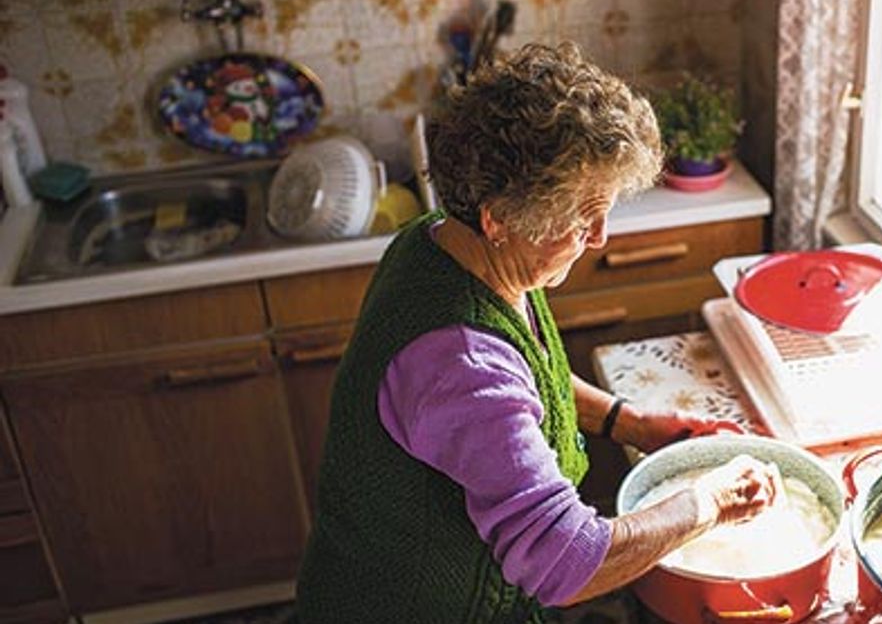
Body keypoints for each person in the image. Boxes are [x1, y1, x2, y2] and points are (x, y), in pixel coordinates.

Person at [295, 42, 780, 623]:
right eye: (582, 217)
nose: (599, 236)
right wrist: (712, 502)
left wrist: (630, 423)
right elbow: (564, 566)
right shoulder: (459, 359)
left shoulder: (440, 240)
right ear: (500, 219)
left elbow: (521, 381)